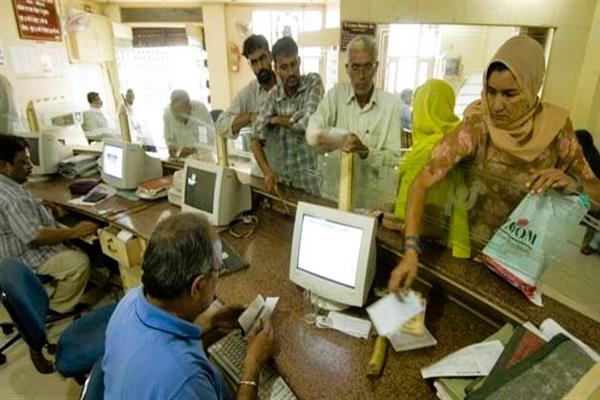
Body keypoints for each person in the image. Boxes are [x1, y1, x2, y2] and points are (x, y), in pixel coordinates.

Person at [388, 36, 600, 292]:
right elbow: (421, 182)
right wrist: (411, 251)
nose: (497, 104)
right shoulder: (478, 125)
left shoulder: (557, 131)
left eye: (510, 94)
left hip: (521, 267)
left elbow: (596, 192)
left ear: (533, 87)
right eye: (491, 91)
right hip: (471, 258)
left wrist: (573, 185)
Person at [102, 213, 275, 399]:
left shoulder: (130, 300)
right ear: (197, 287)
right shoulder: (184, 379)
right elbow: (174, 369)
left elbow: (163, 340)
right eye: (219, 269)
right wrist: (252, 365)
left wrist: (212, 322)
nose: (219, 275)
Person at [0, 134, 98, 313]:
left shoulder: (7, 186)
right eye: (23, 162)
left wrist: (38, 206)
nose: (30, 166)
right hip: (25, 258)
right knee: (79, 262)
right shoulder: (12, 198)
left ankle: (57, 288)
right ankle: (56, 308)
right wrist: (75, 231)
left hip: (7, 256)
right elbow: (34, 236)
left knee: (72, 242)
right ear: (5, 166)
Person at [306, 35, 401, 201]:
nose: (362, 75)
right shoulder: (337, 95)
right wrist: (328, 138)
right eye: (355, 67)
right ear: (347, 68)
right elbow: (313, 129)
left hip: (371, 203)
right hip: (334, 196)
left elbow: (394, 159)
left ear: (376, 67)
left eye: (367, 67)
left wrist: (366, 152)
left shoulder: (390, 105)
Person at [394, 79, 470, 259]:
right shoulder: (451, 145)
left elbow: (426, 224)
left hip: (425, 251)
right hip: (443, 248)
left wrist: (387, 221)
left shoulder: (427, 152)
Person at [252, 36, 324, 195]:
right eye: (284, 67)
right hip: (282, 185)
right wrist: (267, 172)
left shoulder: (313, 82)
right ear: (276, 68)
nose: (291, 72)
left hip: (309, 186)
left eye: (293, 64)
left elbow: (308, 124)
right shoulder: (273, 96)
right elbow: (255, 138)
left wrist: (276, 119)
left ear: (299, 61)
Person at [216, 35, 277, 139]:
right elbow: (221, 125)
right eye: (254, 62)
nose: (260, 66)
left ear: (270, 56)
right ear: (250, 65)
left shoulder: (286, 82)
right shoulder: (248, 93)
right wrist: (250, 117)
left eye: (262, 58)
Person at [163, 89, 215, 158]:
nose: (178, 118)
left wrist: (192, 150)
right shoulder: (168, 114)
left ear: (188, 105)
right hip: (181, 159)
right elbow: (169, 140)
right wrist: (173, 151)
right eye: (176, 114)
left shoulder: (200, 111)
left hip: (202, 158)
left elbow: (207, 140)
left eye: (181, 112)